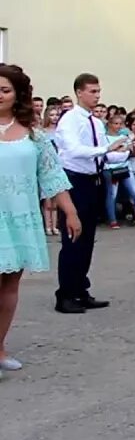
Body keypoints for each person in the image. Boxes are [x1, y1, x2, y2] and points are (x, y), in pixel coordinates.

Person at [0, 65, 81, 379]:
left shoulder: (34, 135)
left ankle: (1, 348)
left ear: (18, 94)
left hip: (19, 218)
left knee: (9, 285)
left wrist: (70, 211)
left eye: (5, 90)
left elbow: (52, 175)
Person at [52, 73, 129, 314]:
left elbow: (104, 153)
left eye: (98, 91)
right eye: (92, 91)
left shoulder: (95, 122)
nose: (97, 96)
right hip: (75, 181)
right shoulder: (70, 120)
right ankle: (65, 294)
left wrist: (127, 148)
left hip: (94, 179)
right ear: (79, 93)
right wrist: (107, 147)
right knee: (73, 238)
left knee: (87, 240)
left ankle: (80, 290)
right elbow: (74, 151)